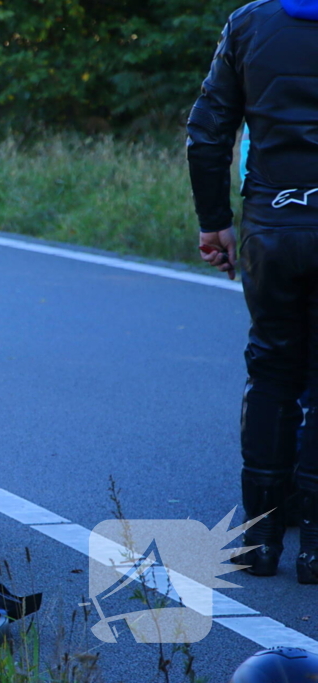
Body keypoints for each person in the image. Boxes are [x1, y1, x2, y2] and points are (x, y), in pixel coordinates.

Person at [187, 0, 318, 583]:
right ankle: (315, 550)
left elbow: (207, 131)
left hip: (272, 224)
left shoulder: (249, 22)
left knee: (271, 371)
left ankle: (259, 542)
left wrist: (216, 220)